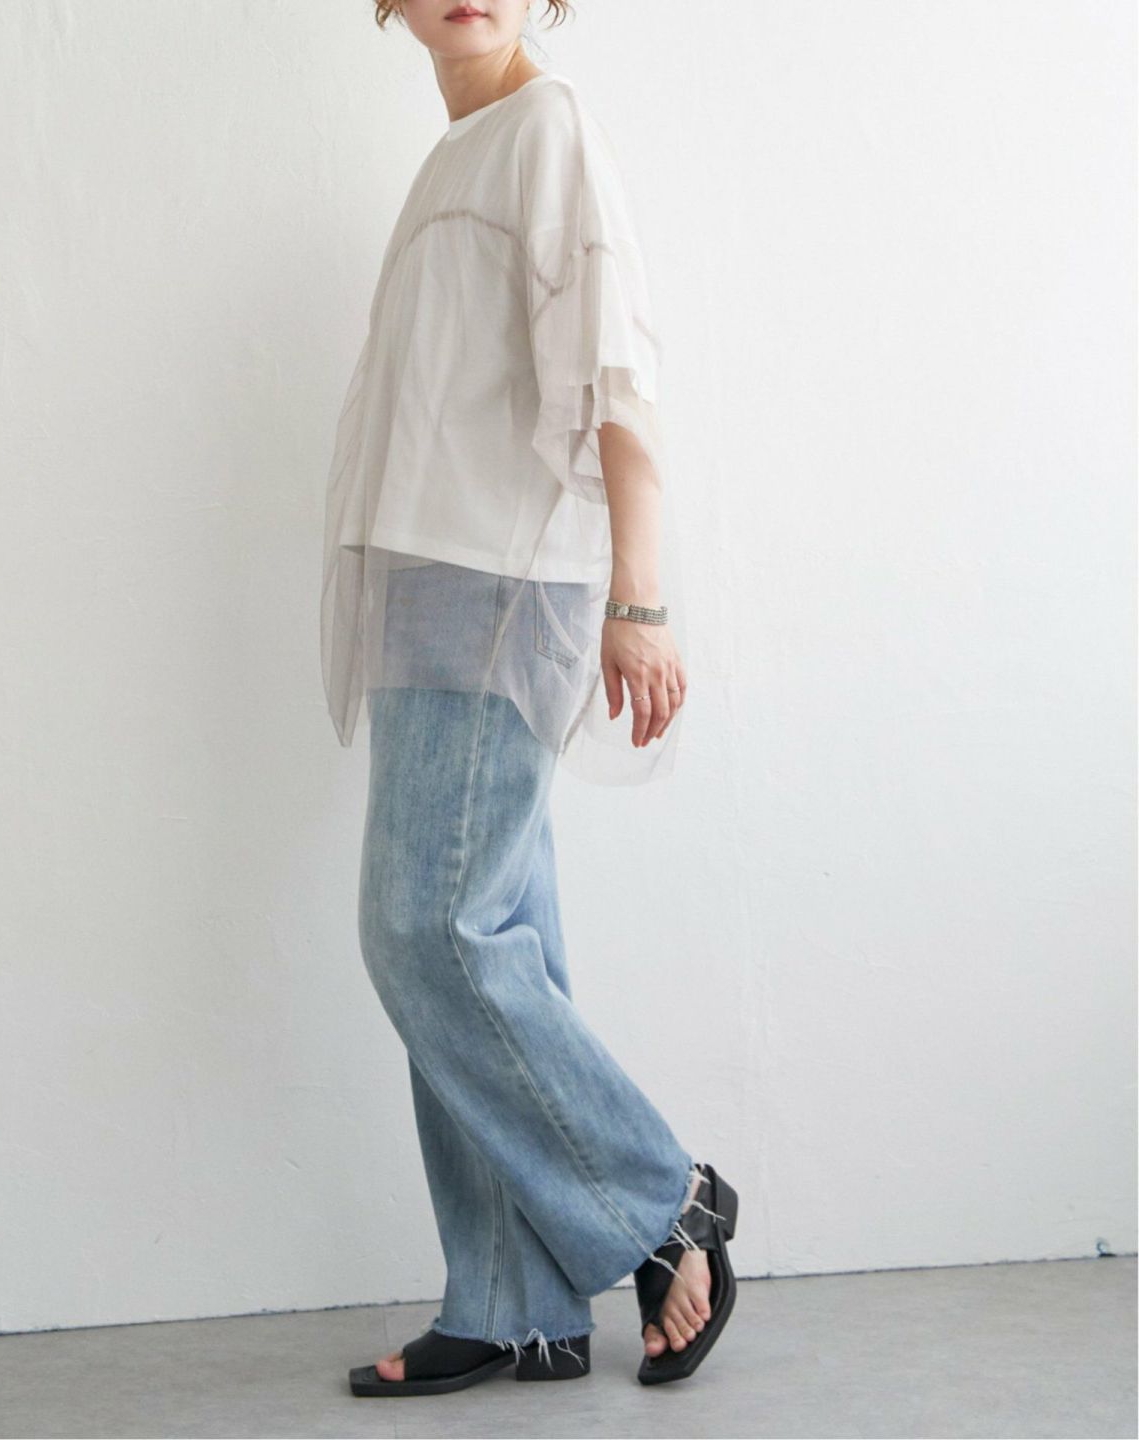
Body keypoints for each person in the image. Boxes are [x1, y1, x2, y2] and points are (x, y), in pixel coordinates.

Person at [320, 0, 740, 1393]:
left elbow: (622, 376)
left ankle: (663, 1199)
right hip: (428, 577)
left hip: (502, 580)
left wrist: (640, 596)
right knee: (491, 932)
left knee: (425, 929)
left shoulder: (546, 124)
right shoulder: (458, 151)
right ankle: (516, 1302)